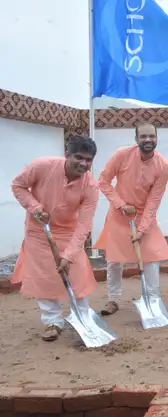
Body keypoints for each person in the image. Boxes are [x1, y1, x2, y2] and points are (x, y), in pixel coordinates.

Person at [10, 136, 100, 342]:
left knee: (78, 273)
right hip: (39, 230)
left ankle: (83, 317)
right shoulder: (42, 166)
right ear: (67, 154)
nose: (84, 164)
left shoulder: (91, 187)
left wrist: (68, 256)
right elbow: (18, 186)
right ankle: (52, 321)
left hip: (69, 232)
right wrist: (35, 208)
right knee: (46, 275)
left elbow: (84, 225)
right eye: (79, 157)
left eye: (89, 160)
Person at [93, 123, 168, 316]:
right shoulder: (122, 155)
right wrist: (120, 205)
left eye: (151, 136)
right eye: (143, 136)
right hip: (119, 216)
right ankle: (114, 299)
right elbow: (103, 181)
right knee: (114, 260)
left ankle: (151, 298)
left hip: (145, 217)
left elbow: (154, 200)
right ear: (136, 139)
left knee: (152, 257)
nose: (148, 140)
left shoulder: (163, 166)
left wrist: (143, 229)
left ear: (156, 138)